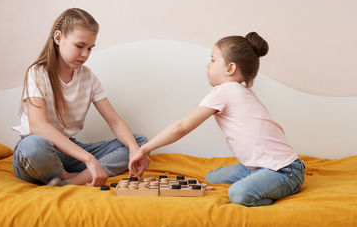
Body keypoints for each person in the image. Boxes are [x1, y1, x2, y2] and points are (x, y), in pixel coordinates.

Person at [129, 32, 305, 206]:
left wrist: (144, 149)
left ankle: (282, 189)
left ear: (230, 68)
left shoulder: (225, 91)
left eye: (212, 60)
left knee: (238, 193)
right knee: (213, 177)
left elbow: (181, 127)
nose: (207, 65)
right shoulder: (240, 91)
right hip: (258, 167)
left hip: (285, 171)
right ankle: (259, 181)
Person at [12, 8, 149, 187]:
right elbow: (38, 126)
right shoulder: (38, 73)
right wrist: (88, 159)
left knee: (139, 143)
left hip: (67, 151)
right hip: (41, 150)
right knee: (34, 147)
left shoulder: (89, 78)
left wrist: (133, 150)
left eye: (90, 48)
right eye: (79, 46)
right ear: (59, 38)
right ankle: (67, 175)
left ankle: (72, 180)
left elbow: (115, 122)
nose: (85, 54)